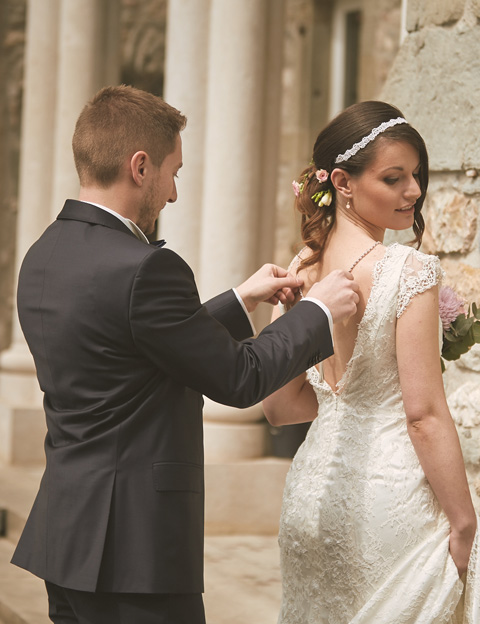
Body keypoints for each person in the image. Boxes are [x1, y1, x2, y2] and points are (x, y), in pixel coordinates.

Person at [11, 85, 361, 624]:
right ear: (140, 166)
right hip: (136, 553)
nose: (174, 194)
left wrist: (240, 301)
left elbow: (132, 349)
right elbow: (238, 379)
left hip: (67, 538)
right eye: (174, 172)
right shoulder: (147, 267)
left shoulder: (43, 253)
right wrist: (316, 310)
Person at [263, 100, 480, 623]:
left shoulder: (303, 267)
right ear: (342, 183)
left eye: (416, 175)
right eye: (394, 178)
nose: (413, 191)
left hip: (310, 500)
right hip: (391, 509)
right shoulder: (407, 269)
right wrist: (464, 525)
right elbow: (423, 415)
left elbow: (280, 408)